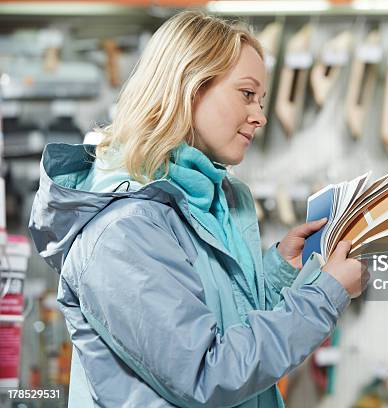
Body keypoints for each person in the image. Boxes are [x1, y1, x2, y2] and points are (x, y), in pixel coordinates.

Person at [28, 11, 367, 408]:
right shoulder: (123, 232)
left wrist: (280, 274)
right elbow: (209, 373)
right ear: (190, 86)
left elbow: (227, 331)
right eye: (246, 94)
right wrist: (324, 297)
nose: (259, 116)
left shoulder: (204, 204)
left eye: (261, 99)